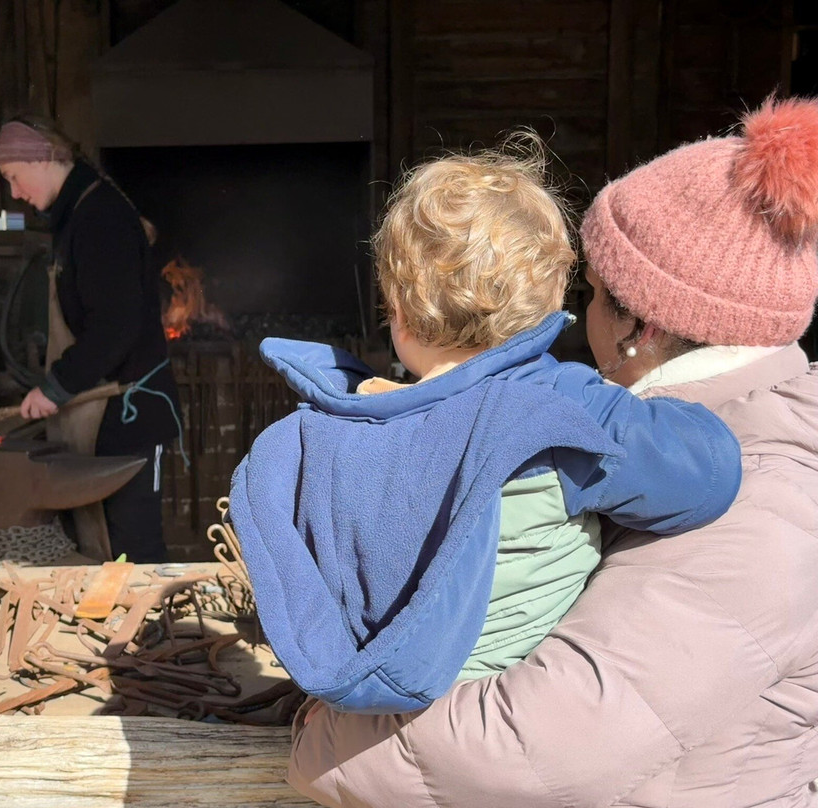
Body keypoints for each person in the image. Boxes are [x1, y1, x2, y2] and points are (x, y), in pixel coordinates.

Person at [286, 96, 818, 807]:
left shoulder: (764, 508)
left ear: (644, 328)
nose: (582, 321)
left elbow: (522, 751)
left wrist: (319, 739)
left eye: (594, 296)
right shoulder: (681, 447)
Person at [228, 136, 742, 714]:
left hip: (367, 716)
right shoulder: (559, 407)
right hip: (512, 707)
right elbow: (706, 478)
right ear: (551, 305)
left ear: (396, 309)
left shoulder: (320, 438)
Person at [0, 116, 181, 563]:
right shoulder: (78, 214)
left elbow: (116, 327)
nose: (15, 192)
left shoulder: (99, 218)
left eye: (13, 178)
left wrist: (57, 384)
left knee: (135, 549)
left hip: (130, 415)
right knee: (106, 549)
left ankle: (155, 631)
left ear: (42, 158)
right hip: (104, 411)